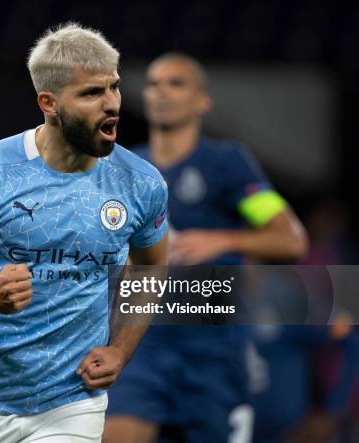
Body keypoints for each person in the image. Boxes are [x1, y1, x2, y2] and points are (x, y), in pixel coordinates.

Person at [0, 23, 169, 443]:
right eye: (91, 93)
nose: (111, 104)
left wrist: (120, 350)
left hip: (71, 402)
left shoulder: (141, 183)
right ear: (48, 103)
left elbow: (152, 267)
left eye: (114, 88)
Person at [104, 53, 308, 443]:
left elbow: (291, 239)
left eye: (176, 83)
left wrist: (222, 239)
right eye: (152, 83)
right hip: (142, 345)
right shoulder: (124, 170)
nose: (161, 92)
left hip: (212, 351)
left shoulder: (227, 165)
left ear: (202, 100)